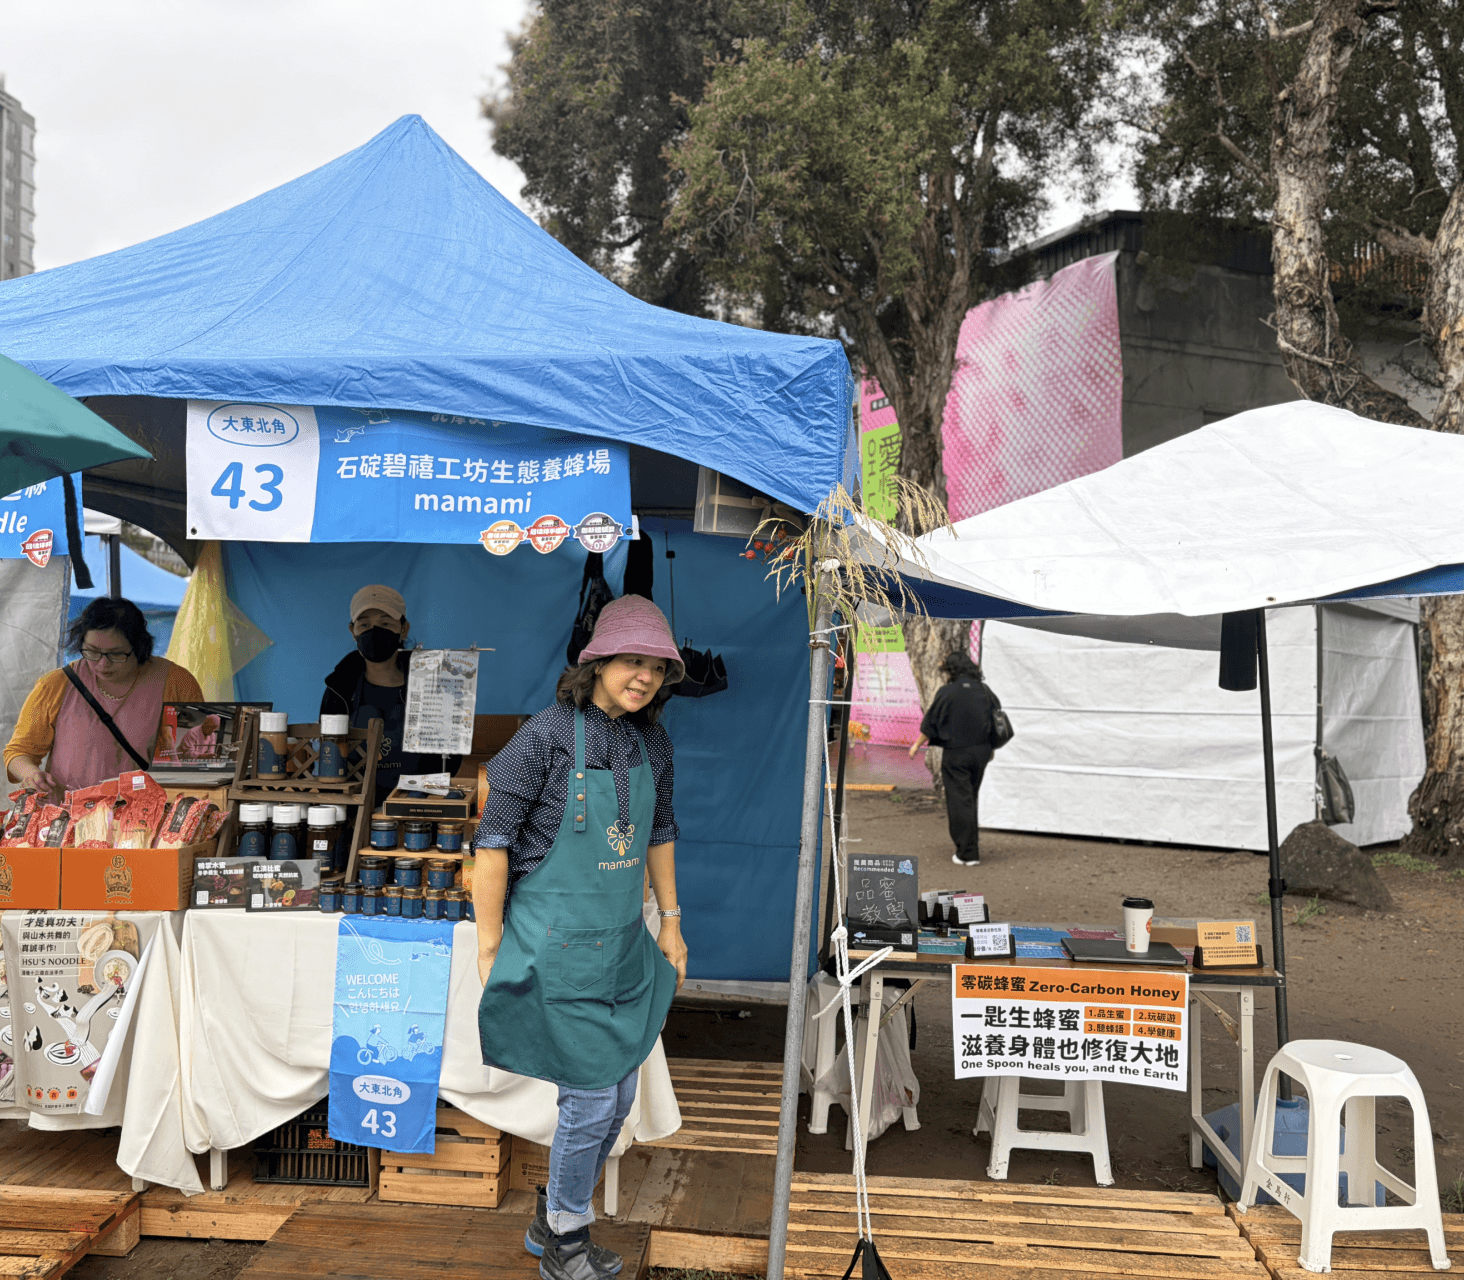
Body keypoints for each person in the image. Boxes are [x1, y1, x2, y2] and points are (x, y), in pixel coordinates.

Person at [473, 595, 687, 1280]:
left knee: (619, 1096)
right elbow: (493, 845)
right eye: (632, 661)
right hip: (556, 945)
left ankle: (552, 1216)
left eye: (656, 666)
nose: (645, 676)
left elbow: (659, 832)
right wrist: (487, 944)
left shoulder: (652, 740)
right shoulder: (543, 737)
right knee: (592, 1097)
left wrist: (672, 924)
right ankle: (565, 1235)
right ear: (595, 662)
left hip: (622, 943)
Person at [5, 597, 204, 797]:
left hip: (142, 816)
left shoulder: (176, 682)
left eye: (115, 654)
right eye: (92, 652)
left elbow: (194, 759)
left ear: (139, 646)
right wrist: (31, 774)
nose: (102, 665)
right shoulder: (56, 684)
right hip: (67, 815)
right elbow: (18, 752)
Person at [321, 585, 457, 804]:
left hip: (418, 808)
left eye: (385, 623)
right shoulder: (339, 688)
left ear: (404, 629)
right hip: (355, 811)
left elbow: (450, 759)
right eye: (364, 625)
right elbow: (330, 755)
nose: (374, 632)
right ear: (352, 631)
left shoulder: (434, 684)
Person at [908, 651, 1000, 866]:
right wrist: (992, 747)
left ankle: (967, 853)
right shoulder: (984, 691)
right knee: (970, 797)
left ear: (951, 670)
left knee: (959, 800)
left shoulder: (947, 692)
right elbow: (996, 718)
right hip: (981, 752)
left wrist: (915, 745)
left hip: (956, 753)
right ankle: (970, 849)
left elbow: (931, 723)